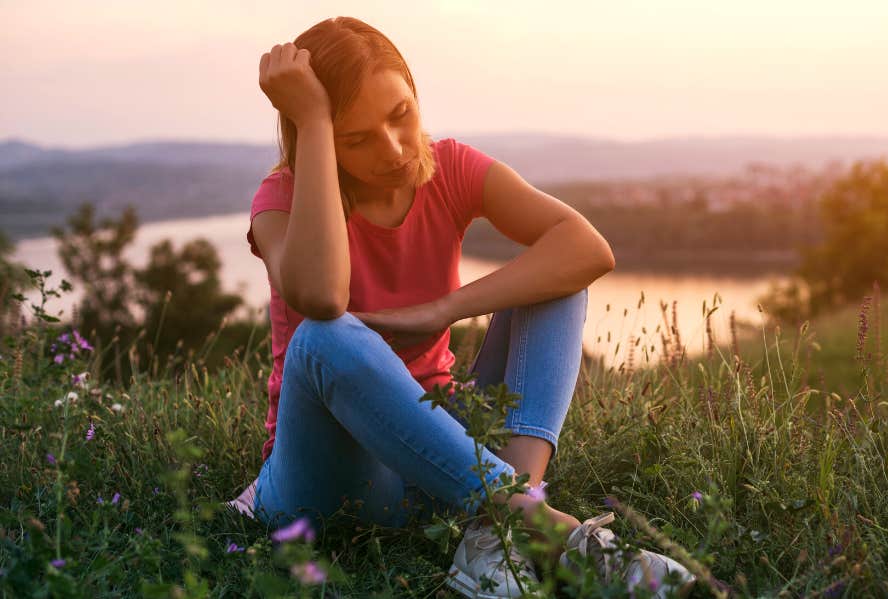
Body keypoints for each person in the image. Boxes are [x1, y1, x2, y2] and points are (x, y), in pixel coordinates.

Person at [224, 16, 695, 598]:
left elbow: (586, 248)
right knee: (325, 337)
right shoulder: (282, 199)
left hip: (436, 467)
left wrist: (443, 309)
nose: (393, 149)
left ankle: (488, 538)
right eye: (356, 138)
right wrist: (312, 118)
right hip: (327, 484)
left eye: (400, 115)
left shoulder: (447, 170)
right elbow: (322, 297)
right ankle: (536, 525)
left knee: (557, 281)